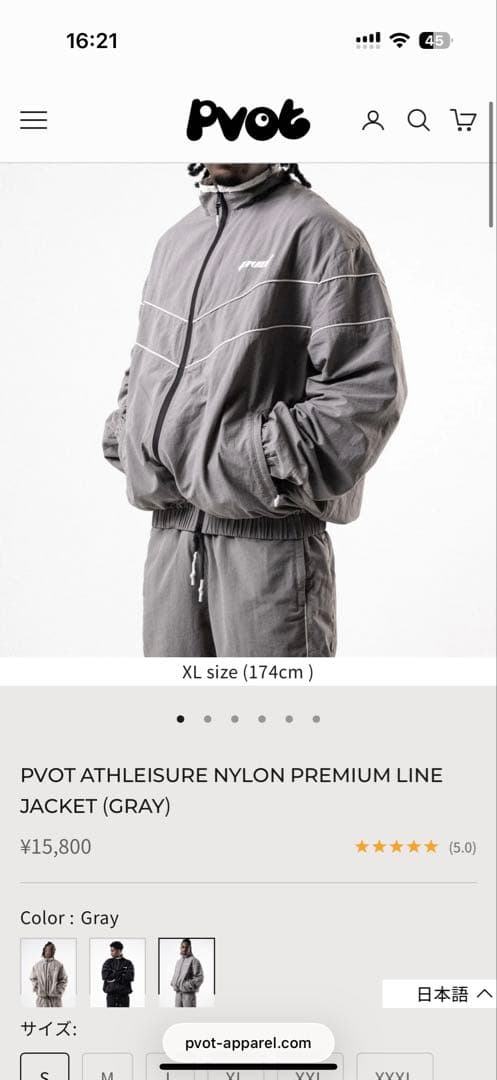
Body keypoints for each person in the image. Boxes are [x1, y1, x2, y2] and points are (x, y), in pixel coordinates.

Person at [103, 163, 406, 657]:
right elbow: (147, 370)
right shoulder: (177, 241)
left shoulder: (321, 234)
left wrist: (254, 463)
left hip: (267, 546)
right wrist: (132, 435)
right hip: (170, 541)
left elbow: (365, 392)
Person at [30, 941, 68, 1007]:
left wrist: (58, 991)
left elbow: (63, 979)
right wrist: (38, 989)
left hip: (55, 1001)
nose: (52, 951)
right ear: (45, 950)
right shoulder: (37, 966)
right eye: (50, 949)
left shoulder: (59, 965)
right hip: (41, 1001)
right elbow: (33, 978)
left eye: (53, 949)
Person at [170, 938, 204, 1007]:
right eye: (183, 947)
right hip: (178, 995)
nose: (184, 949)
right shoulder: (178, 962)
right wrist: (173, 983)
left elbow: (199, 978)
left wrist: (186, 986)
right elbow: (175, 975)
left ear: (190, 948)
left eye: (186, 947)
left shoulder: (194, 961)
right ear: (180, 947)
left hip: (188, 996)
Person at [101, 941, 135, 1007]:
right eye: (111, 950)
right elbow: (105, 976)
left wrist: (113, 974)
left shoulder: (128, 963)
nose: (111, 952)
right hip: (111, 995)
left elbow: (130, 977)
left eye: (113, 950)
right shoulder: (108, 962)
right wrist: (122, 972)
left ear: (119, 950)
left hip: (124, 995)